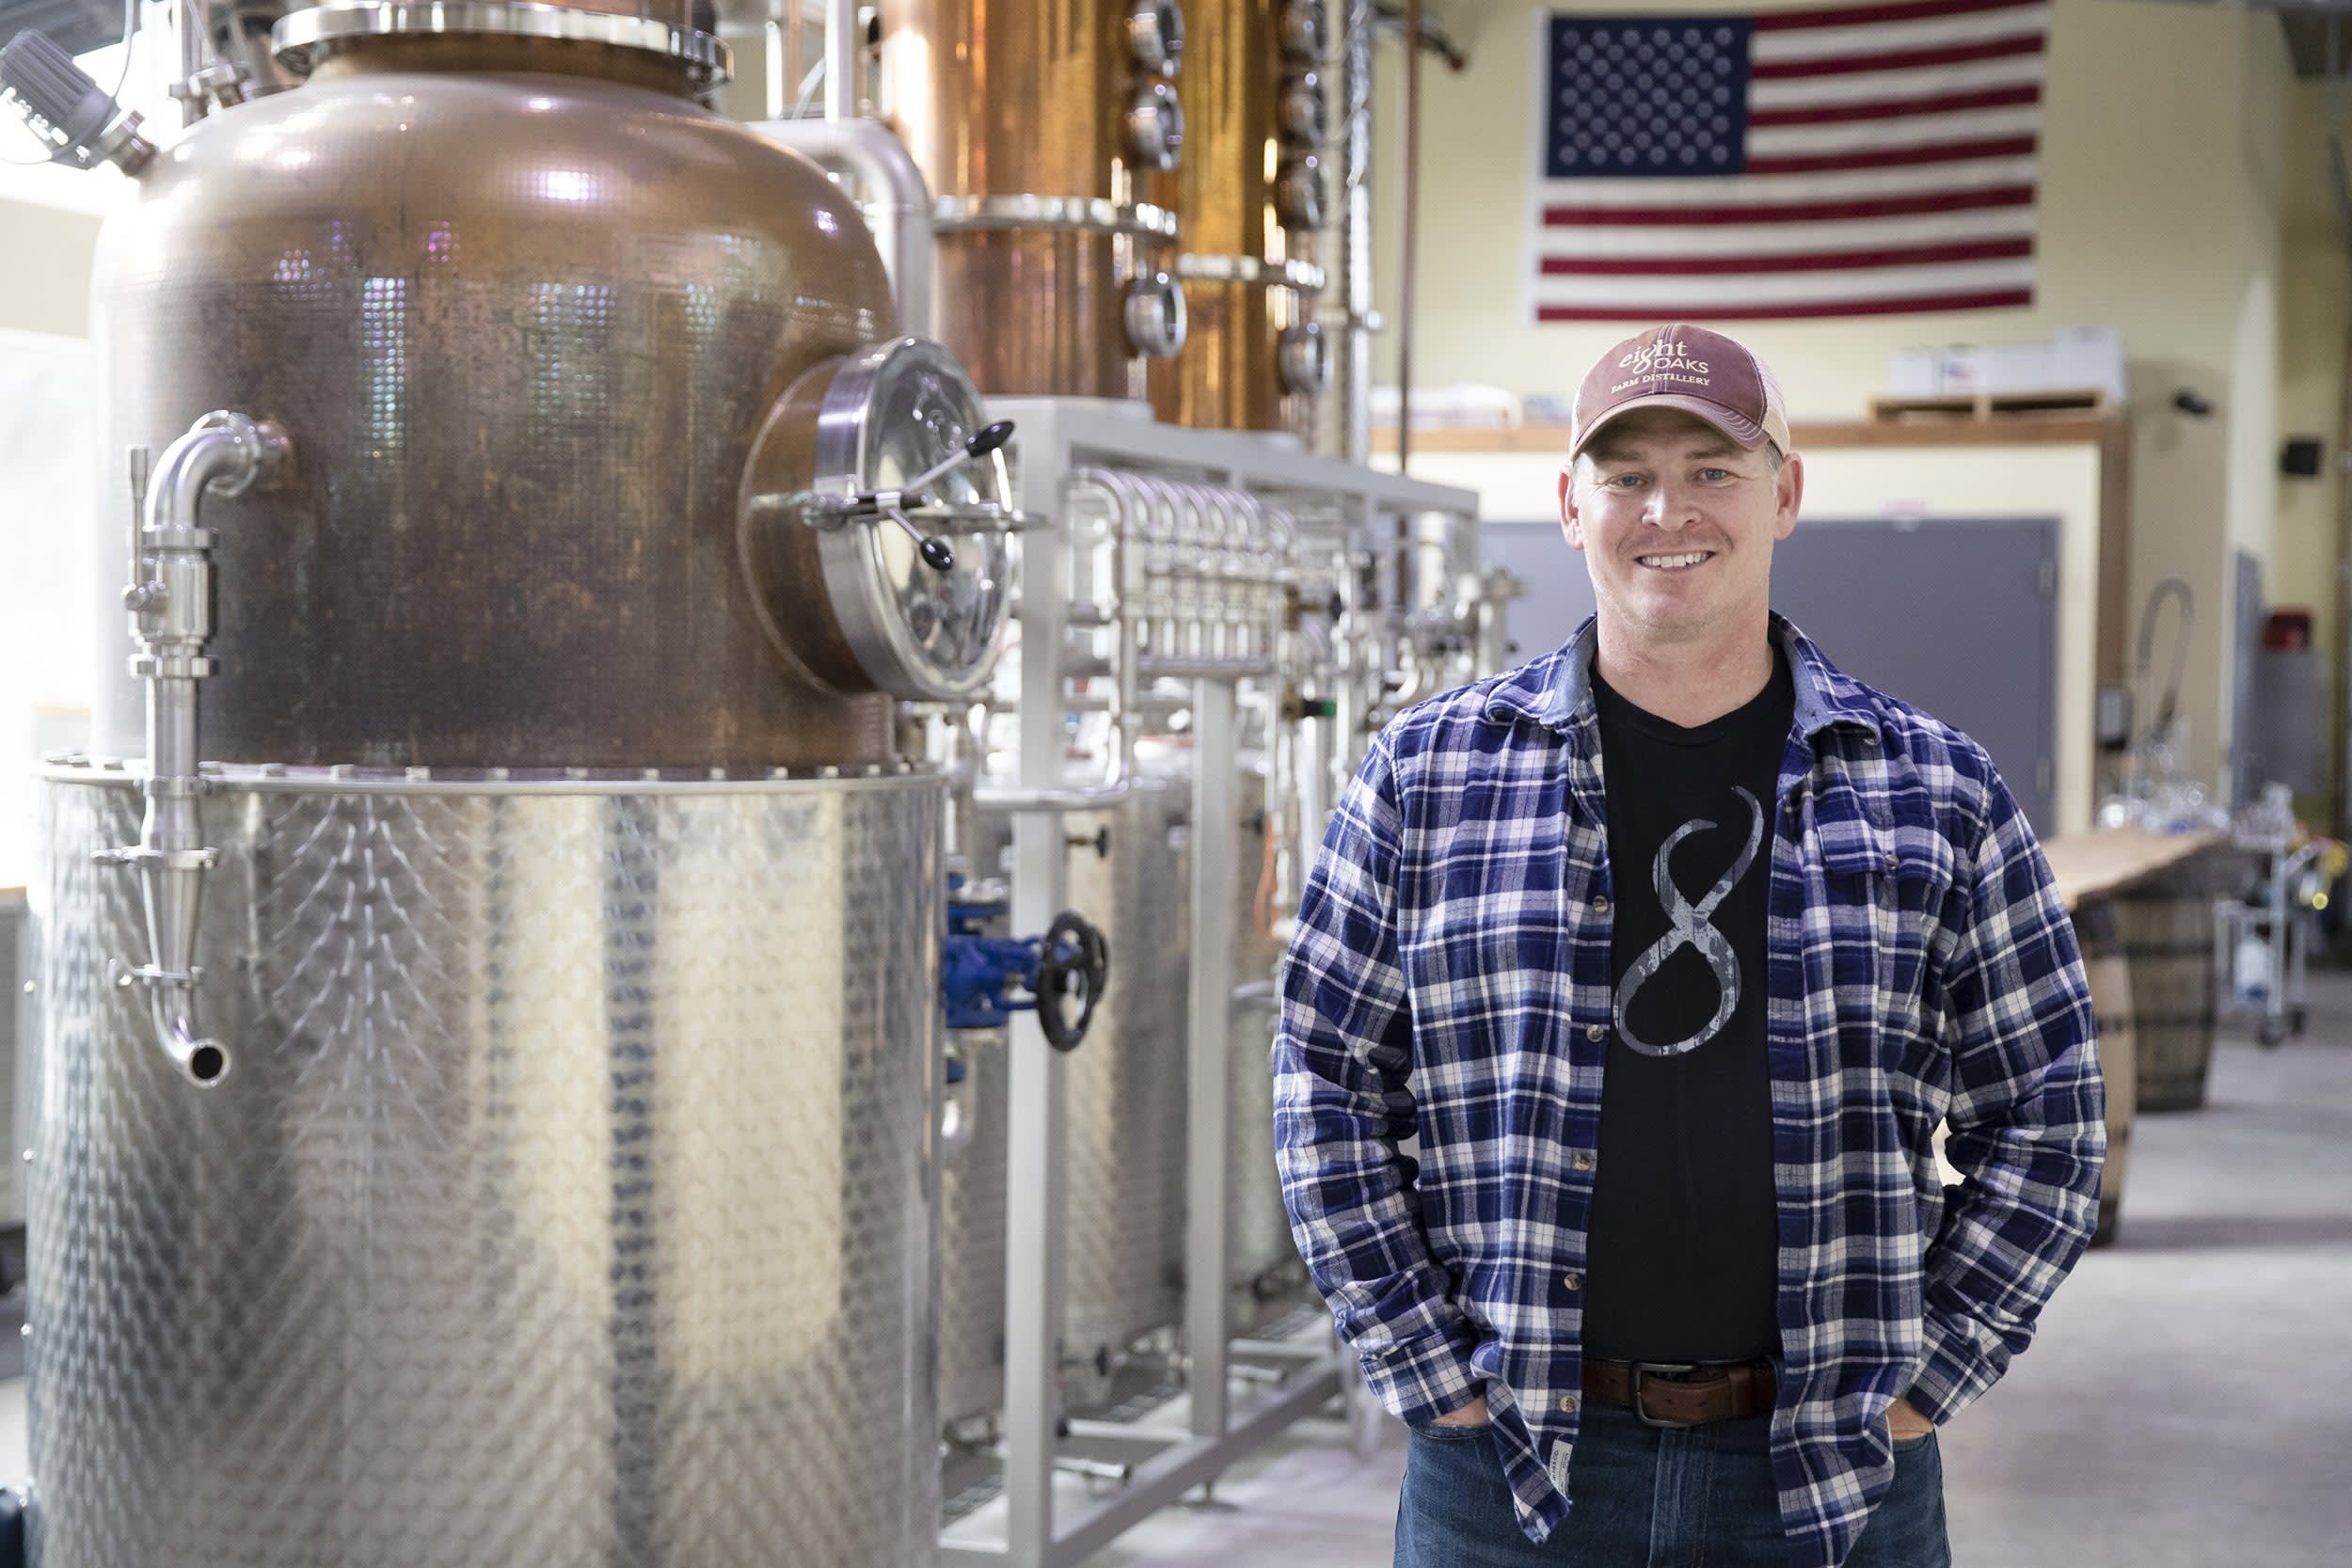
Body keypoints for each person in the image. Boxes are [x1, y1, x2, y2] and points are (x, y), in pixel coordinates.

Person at [1273, 323, 2105, 1568]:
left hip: (1832, 1474)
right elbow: (1322, 1079)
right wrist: (1422, 1362)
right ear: (1570, 505)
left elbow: (2049, 1108)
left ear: (1787, 493)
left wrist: (1929, 1377)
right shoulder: (1426, 778)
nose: (1670, 510)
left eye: (1714, 470)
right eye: (1627, 476)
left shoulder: (1937, 791)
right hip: (1509, 1469)